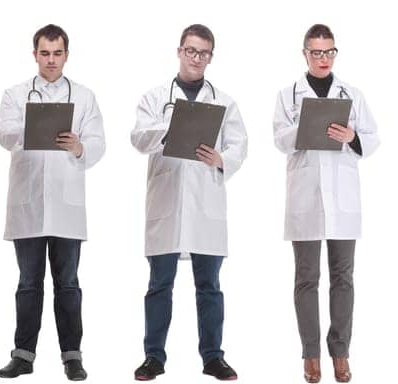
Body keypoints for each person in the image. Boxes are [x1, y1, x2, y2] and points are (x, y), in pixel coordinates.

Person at [128, 23, 249, 381]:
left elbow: (239, 145)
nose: (197, 58)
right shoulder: (154, 98)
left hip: (206, 206)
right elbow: (137, 137)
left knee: (209, 286)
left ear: (211, 57)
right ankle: (154, 357)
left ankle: (213, 357)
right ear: (179, 51)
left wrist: (221, 159)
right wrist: (169, 127)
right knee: (159, 284)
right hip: (166, 203)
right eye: (191, 50)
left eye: (204, 53)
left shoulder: (224, 102)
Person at [271, 23, 381, 384]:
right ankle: (311, 355)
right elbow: (279, 138)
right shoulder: (288, 95)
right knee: (306, 278)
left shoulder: (354, 94)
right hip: (305, 196)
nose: (323, 59)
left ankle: (341, 353)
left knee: (343, 278)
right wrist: (305, 124)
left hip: (343, 197)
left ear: (335, 54)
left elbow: (372, 138)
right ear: (305, 54)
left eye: (329, 52)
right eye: (316, 52)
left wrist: (351, 136)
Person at [0, 24, 104, 381]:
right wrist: (31, 127)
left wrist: (79, 146)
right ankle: (23, 356)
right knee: (28, 283)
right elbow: (4, 133)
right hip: (28, 206)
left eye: (57, 53)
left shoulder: (84, 96)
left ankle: (72, 356)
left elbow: (98, 142)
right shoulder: (15, 94)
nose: (51, 60)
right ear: (35, 54)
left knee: (68, 283)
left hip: (67, 208)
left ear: (66, 55)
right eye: (45, 53)